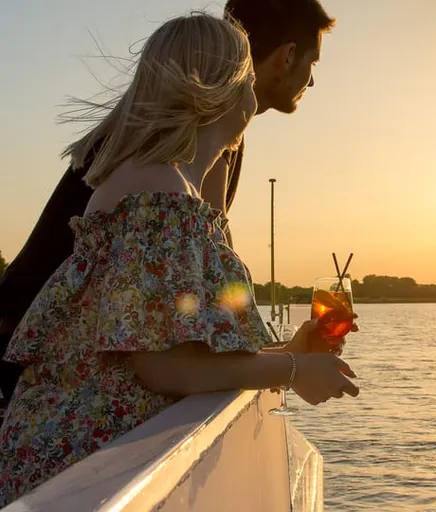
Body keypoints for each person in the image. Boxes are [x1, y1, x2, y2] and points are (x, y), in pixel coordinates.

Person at [0, 12, 358, 505]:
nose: (253, 95)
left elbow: (182, 354)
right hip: (85, 470)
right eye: (246, 79)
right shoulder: (158, 192)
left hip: (102, 457)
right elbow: (164, 369)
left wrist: (290, 351)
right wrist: (293, 370)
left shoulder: (170, 188)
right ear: (218, 91)